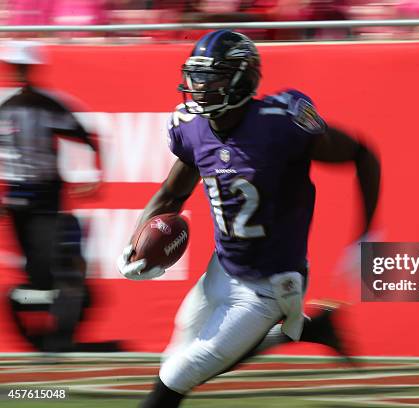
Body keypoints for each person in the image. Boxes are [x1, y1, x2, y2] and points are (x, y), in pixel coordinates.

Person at [116, 30, 380, 408]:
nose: (201, 86)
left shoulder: (280, 124)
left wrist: (367, 233)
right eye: (198, 75)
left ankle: (296, 329)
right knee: (176, 360)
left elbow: (362, 154)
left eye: (214, 76)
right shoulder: (192, 127)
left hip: (270, 284)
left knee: (176, 377)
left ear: (243, 77)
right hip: (222, 269)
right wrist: (135, 242)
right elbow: (172, 193)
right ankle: (308, 330)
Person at [0, 41, 118, 352]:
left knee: (53, 268)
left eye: (24, 67)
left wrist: (95, 176)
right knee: (35, 273)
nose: (19, 73)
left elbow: (87, 136)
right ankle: (46, 339)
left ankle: (58, 339)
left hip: (44, 196)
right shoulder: (4, 106)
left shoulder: (48, 106)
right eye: (15, 67)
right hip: (16, 197)